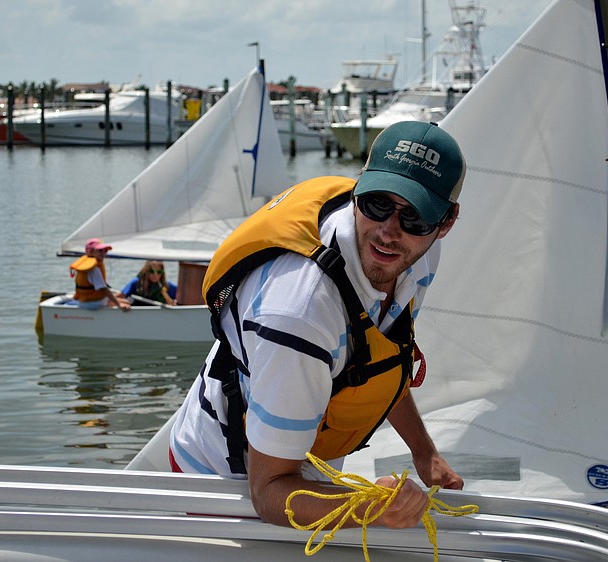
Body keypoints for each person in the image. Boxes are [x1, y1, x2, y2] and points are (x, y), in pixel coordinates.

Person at [169, 121, 465, 529]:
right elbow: (268, 492)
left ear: (446, 223)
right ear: (359, 186)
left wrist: (423, 451)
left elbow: (380, 352)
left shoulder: (416, 258)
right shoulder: (300, 314)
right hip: (224, 479)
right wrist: (372, 508)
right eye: (377, 202)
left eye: (414, 216)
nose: (388, 232)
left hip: (297, 458)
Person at [69, 238, 131, 311]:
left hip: (85, 301)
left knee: (124, 301)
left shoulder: (86, 265)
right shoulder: (94, 269)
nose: (103, 253)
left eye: (105, 250)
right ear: (91, 252)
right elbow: (103, 289)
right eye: (100, 250)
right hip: (93, 303)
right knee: (127, 304)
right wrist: (119, 304)